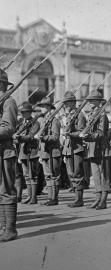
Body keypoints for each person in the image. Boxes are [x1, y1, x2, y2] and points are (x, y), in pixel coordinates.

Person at [81, 89, 110, 210]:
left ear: (99, 101)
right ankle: (98, 198)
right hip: (92, 147)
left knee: (103, 174)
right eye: (89, 100)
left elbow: (101, 133)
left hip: (101, 146)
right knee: (96, 174)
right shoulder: (92, 113)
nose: (90, 102)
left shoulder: (102, 114)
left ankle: (103, 199)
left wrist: (88, 137)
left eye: (93, 100)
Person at [0, 69, 18, 242]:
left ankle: (11, 229)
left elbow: (8, 128)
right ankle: (3, 227)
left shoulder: (9, 102)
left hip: (5, 151)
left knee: (7, 189)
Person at [62, 91, 87, 208]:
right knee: (71, 174)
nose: (65, 105)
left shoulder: (80, 114)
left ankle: (79, 199)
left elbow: (82, 131)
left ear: (73, 102)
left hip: (76, 148)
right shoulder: (68, 115)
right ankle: (76, 197)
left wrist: (70, 134)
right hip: (68, 148)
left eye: (67, 102)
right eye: (65, 103)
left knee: (77, 174)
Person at [37, 97, 62, 206]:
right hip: (45, 152)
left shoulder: (54, 120)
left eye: (43, 106)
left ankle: (54, 198)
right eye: (41, 106)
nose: (41, 108)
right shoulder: (43, 120)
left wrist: (44, 137)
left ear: (48, 107)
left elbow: (56, 137)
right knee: (47, 175)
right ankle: (50, 197)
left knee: (54, 175)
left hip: (53, 151)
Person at [14, 102, 40, 204]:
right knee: (26, 175)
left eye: (26, 112)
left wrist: (19, 138)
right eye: (23, 112)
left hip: (32, 151)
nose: (24, 114)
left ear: (30, 112)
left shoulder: (35, 123)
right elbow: (15, 132)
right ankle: (29, 196)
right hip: (22, 151)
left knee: (33, 174)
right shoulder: (21, 122)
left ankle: (34, 197)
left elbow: (31, 136)